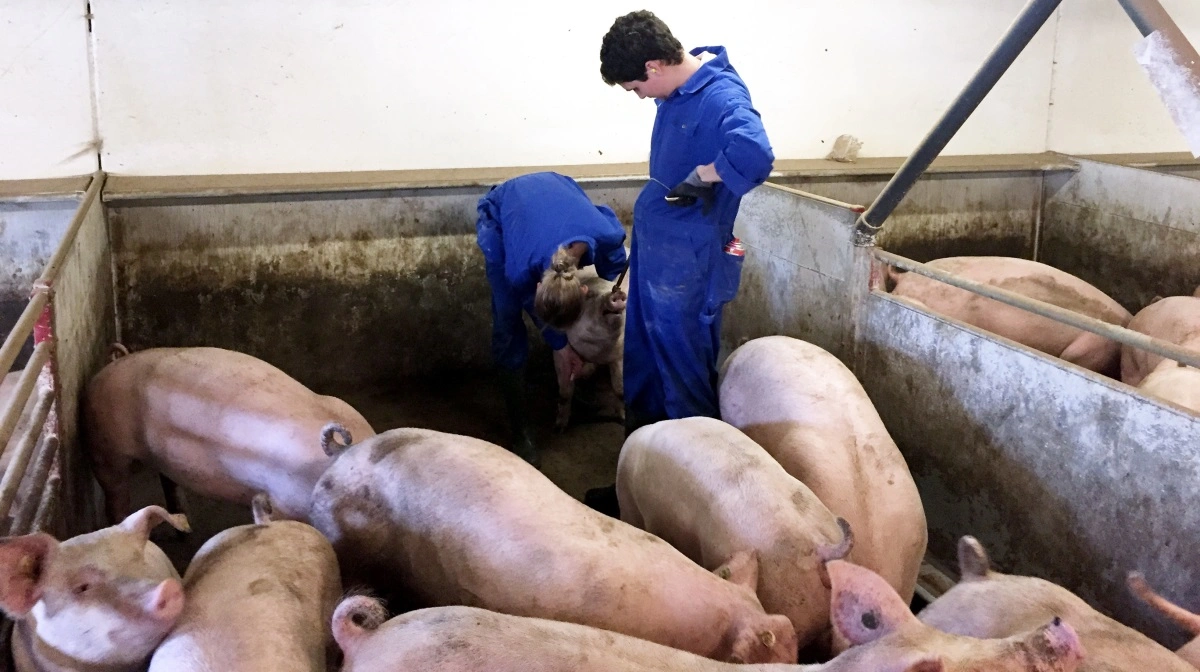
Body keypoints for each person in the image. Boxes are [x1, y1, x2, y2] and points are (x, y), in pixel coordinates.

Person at [585, 10, 774, 513]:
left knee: (684, 377)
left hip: (689, 267)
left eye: (634, 88)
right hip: (657, 256)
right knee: (644, 370)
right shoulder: (678, 89)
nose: (639, 96)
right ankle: (637, 486)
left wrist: (708, 173)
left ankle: (698, 505)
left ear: (653, 65)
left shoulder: (721, 97)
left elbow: (755, 155)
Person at [476, 171, 628, 468]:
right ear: (537, 286)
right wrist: (560, 343)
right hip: (503, 210)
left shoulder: (609, 235)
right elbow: (529, 301)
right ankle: (520, 428)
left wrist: (610, 297)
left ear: (583, 290)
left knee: (555, 323)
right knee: (507, 321)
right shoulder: (521, 272)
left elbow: (614, 269)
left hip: (558, 187)